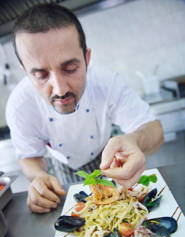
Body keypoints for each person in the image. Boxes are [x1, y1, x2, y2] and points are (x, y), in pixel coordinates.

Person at [6, 3, 164, 214]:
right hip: (61, 168)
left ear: (87, 59)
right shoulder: (20, 105)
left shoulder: (106, 82)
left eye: (70, 69)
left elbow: (154, 129)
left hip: (106, 158)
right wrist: (38, 177)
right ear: (25, 71)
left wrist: (134, 140)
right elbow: (29, 155)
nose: (60, 90)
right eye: (41, 75)